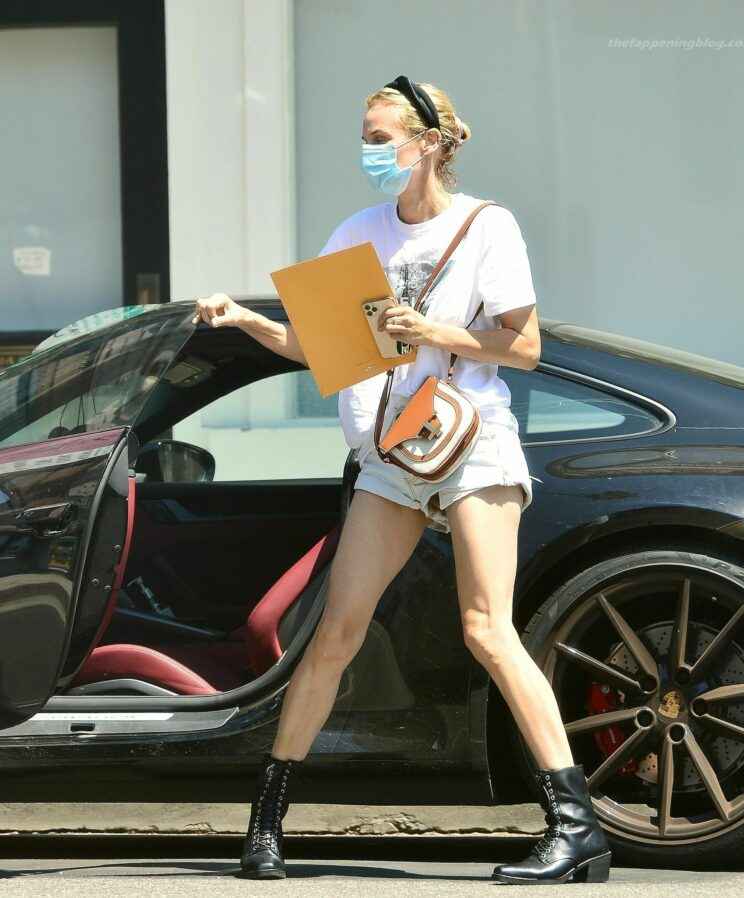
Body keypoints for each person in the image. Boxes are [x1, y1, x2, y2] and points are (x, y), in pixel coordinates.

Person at [192, 75, 611, 885]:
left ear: (428, 144)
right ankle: (266, 826)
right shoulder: (358, 233)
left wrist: (431, 329)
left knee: (486, 628)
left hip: (471, 442)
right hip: (390, 457)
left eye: (381, 139)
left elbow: (524, 347)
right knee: (336, 633)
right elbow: (321, 347)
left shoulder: (486, 226)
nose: (368, 152)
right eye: (364, 138)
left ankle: (576, 825)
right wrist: (247, 322)